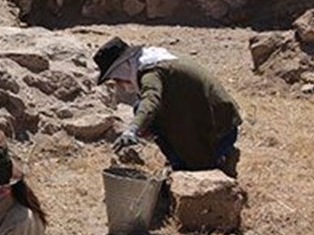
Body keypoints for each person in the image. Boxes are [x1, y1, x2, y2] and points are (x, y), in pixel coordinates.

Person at [93, 36, 242, 177]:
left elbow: (150, 101)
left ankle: (218, 161)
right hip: (210, 118)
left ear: (124, 66)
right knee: (147, 115)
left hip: (218, 128)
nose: (120, 83)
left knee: (194, 168)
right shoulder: (157, 60)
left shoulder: (151, 73)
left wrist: (133, 129)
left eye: (117, 78)